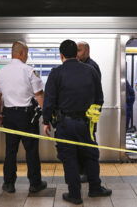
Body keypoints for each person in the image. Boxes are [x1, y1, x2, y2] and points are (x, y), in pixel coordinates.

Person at [43, 40, 111, 205]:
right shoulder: (91, 71)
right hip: (87, 123)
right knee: (90, 155)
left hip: (64, 123)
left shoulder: (56, 73)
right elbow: (99, 98)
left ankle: (75, 194)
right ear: (76, 53)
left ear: (61, 55)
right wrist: (93, 118)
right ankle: (95, 188)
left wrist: (46, 121)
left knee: (69, 157)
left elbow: (49, 101)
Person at [0, 41, 47, 194]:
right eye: (27, 53)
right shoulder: (29, 71)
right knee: (31, 150)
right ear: (22, 53)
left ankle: (9, 184)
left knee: (10, 150)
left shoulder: (1, 71)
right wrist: (47, 116)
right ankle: (35, 184)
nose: (27, 57)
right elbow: (39, 95)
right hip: (27, 116)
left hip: (9, 115)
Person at [76, 41, 101, 183]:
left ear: (86, 51)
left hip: (88, 114)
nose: (77, 53)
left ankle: (89, 173)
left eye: (79, 50)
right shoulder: (82, 66)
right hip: (83, 114)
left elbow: (92, 92)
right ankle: (83, 171)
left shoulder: (91, 67)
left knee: (89, 145)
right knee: (81, 144)